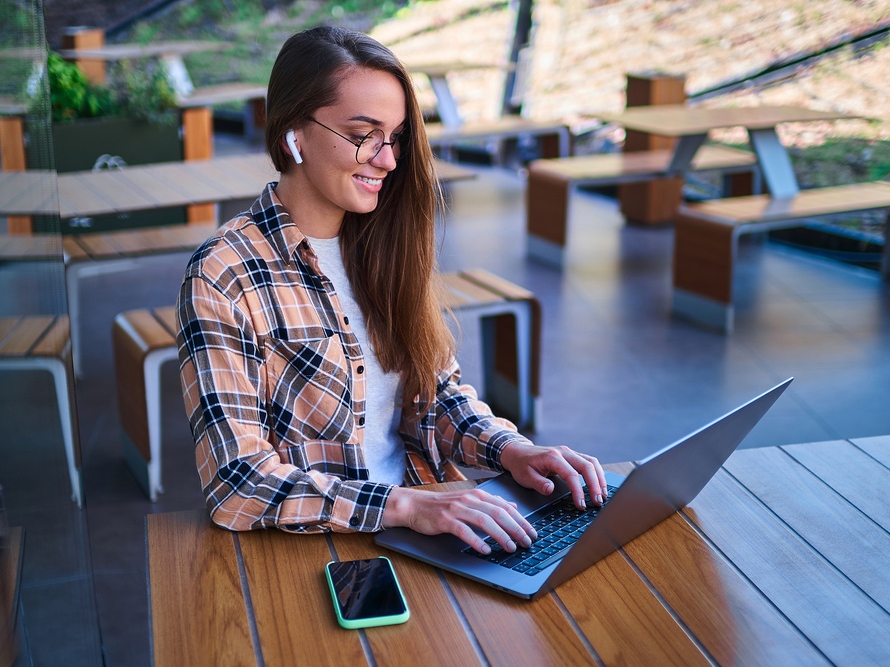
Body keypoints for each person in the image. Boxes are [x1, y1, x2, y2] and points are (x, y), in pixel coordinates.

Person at [176, 26, 606, 556]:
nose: (388, 160)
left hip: (426, 521)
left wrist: (513, 452)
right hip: (318, 548)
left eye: (396, 135)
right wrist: (402, 506)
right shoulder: (225, 273)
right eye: (363, 134)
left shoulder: (386, 241)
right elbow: (236, 483)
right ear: (293, 134)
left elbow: (432, 397)